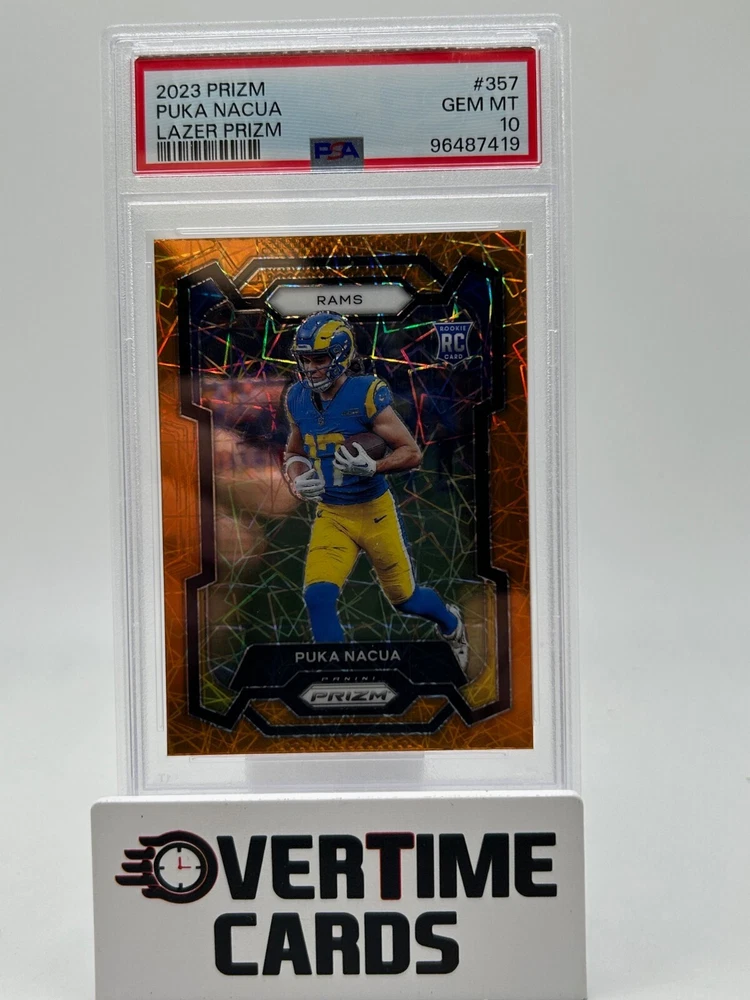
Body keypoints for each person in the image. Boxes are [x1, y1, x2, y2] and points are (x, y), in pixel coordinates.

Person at [282, 311, 469, 674]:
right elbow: (294, 452)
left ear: (340, 355)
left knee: (405, 599)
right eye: (305, 359)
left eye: (319, 359)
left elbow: (411, 452)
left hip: (374, 512)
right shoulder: (297, 397)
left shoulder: (365, 393)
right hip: (332, 514)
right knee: (317, 596)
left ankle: (451, 624)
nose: (311, 368)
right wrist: (297, 478)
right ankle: (334, 676)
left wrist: (374, 467)